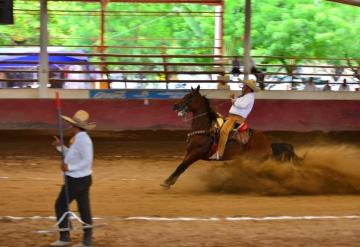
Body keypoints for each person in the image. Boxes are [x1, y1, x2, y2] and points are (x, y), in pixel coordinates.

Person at [50, 110, 96, 247]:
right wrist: (60, 147)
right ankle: (87, 241)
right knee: (84, 208)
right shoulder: (79, 139)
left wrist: (69, 167)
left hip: (76, 180)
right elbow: (72, 155)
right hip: (81, 179)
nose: (70, 128)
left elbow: (87, 161)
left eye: (71, 125)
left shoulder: (84, 140)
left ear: (76, 127)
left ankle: (65, 237)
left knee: (60, 205)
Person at [210, 80, 259, 160]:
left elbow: (241, 105)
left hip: (236, 119)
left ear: (248, 88)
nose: (242, 87)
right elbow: (239, 102)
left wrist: (233, 101)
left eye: (244, 86)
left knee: (224, 131)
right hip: (231, 117)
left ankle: (219, 153)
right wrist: (234, 99)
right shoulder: (245, 96)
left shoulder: (250, 97)